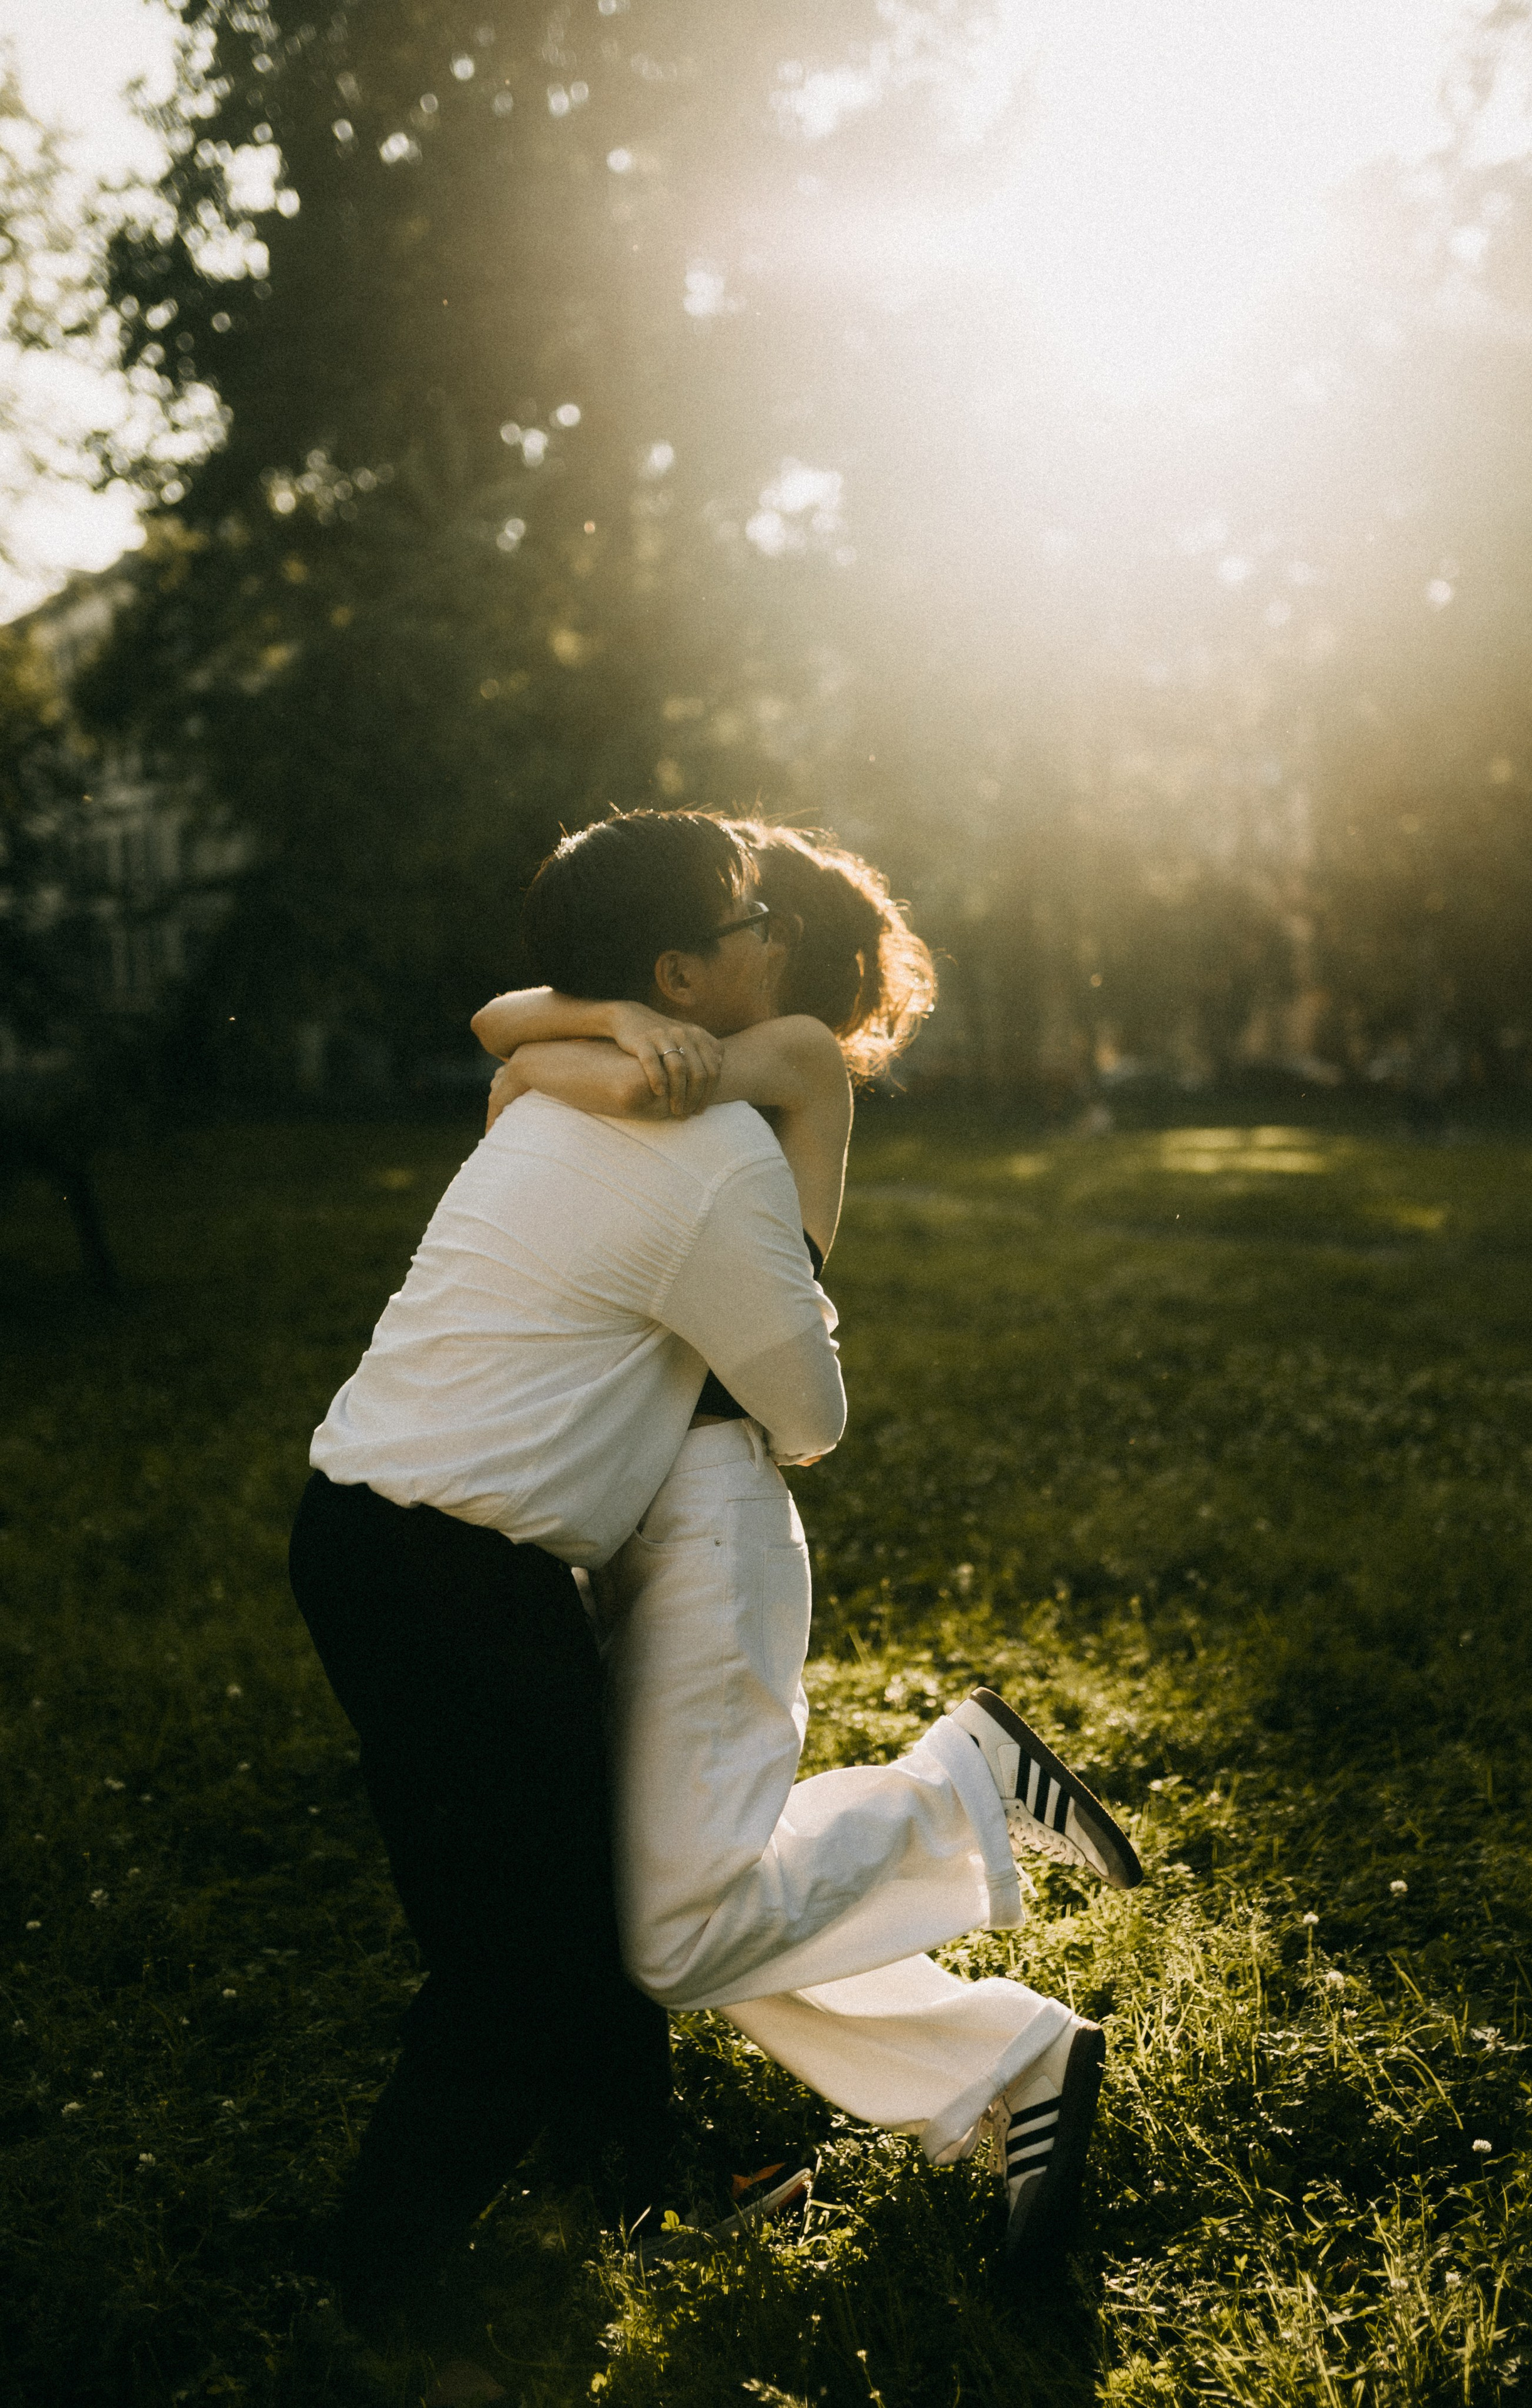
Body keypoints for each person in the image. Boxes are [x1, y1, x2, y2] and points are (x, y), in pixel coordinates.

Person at [473, 822, 1144, 2284]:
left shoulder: (782, 1058)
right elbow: (509, 1023)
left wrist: (566, 1053)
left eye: (754, 921)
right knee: (687, 1890)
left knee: (674, 1925)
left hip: (712, 1497)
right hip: (633, 1493)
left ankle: (954, 1785)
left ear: (777, 968)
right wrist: (597, 1024)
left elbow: (520, 1051)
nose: (737, 937)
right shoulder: (697, 1052)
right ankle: (1013, 2061)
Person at [288, 812, 848, 2328]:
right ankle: (380, 2295)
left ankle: (644, 2181)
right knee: (512, 1965)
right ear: (678, 969)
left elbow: (517, 1031)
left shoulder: (555, 1091)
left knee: (561, 1894)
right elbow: (807, 1417)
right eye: (747, 918)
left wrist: (593, 1036)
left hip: (375, 1531)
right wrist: (805, 1191)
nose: (772, 932)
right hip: (453, 1571)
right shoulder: (717, 1150)